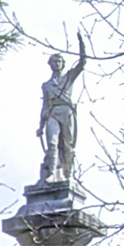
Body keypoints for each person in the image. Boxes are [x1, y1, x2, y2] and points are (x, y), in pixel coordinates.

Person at [38, 36, 87, 183]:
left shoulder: (68, 77)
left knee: (67, 145)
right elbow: (44, 106)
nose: (57, 64)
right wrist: (40, 125)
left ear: (63, 64)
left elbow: (82, 63)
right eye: (54, 61)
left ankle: (68, 174)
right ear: (50, 64)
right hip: (52, 113)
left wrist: (81, 44)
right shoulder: (46, 85)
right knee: (52, 143)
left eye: (59, 61)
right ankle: (51, 173)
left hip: (66, 112)